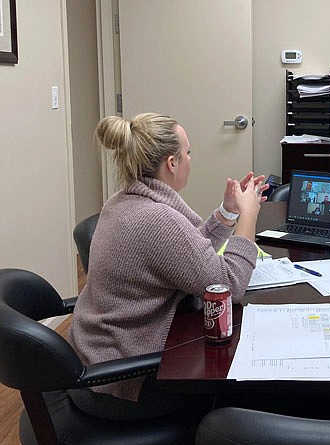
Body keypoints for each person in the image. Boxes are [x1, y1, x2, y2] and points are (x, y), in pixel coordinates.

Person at [68, 112, 268, 420]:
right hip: (120, 383)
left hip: (96, 360)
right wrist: (249, 218)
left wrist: (228, 213)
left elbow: (183, 255)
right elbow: (229, 285)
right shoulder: (155, 219)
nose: (191, 158)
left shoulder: (125, 201)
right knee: (242, 388)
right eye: (187, 152)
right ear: (172, 163)